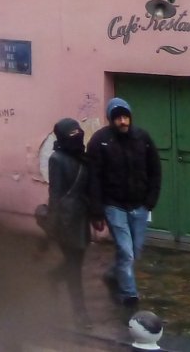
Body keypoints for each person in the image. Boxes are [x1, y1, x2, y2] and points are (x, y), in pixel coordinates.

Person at [86, 97, 160, 309]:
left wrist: (150, 200)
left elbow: (155, 170)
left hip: (139, 206)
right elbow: (94, 178)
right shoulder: (100, 142)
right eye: (118, 118)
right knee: (126, 251)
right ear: (111, 119)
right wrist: (97, 211)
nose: (123, 121)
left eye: (125, 117)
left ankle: (112, 274)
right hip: (114, 205)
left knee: (134, 252)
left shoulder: (142, 138)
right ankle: (129, 295)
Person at [47, 117, 92, 325]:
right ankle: (80, 313)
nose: (77, 136)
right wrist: (53, 225)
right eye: (71, 134)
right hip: (66, 222)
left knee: (76, 263)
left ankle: (52, 278)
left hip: (82, 219)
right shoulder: (57, 159)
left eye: (78, 132)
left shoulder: (82, 156)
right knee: (74, 268)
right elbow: (55, 194)